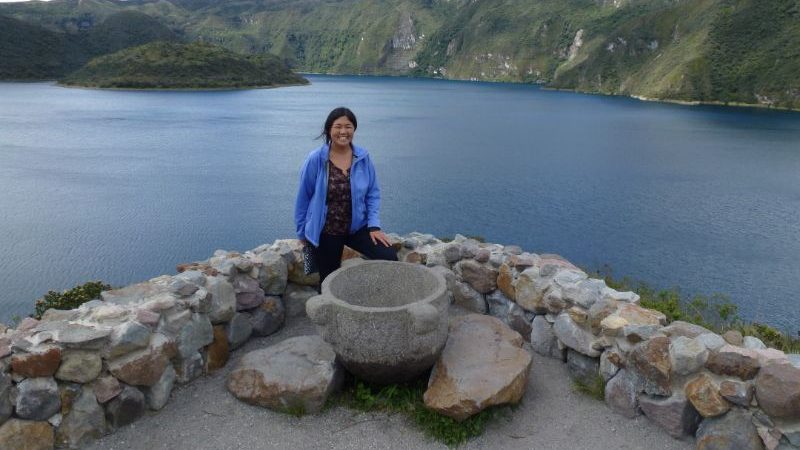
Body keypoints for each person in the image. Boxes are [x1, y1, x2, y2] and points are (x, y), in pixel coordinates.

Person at [294, 107, 397, 287]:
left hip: (357, 227)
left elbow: (373, 194)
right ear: (329, 129)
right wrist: (302, 232)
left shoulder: (363, 157)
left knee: (388, 256)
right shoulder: (316, 159)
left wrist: (374, 226)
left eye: (348, 126)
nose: (343, 131)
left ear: (354, 129)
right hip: (327, 230)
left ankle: (376, 296)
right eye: (338, 126)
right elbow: (304, 196)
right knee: (328, 281)